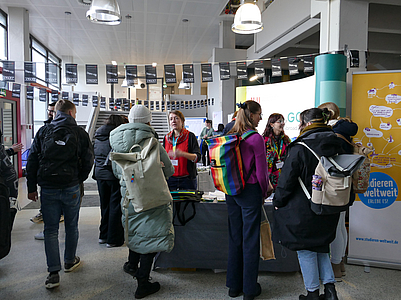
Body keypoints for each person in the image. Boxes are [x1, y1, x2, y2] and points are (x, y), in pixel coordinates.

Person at [273, 107, 341, 300]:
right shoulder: (337, 143)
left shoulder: (299, 148)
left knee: (305, 249)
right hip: (330, 206)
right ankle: (330, 290)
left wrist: (278, 201)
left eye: (301, 122)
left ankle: (312, 293)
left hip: (305, 208)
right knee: (321, 246)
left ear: (307, 124)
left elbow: (286, 181)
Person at [26, 99, 94, 289]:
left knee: (50, 229)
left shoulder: (44, 131)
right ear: (72, 113)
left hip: (48, 187)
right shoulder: (80, 133)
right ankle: (70, 261)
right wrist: (78, 178)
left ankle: (53, 273)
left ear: (56, 112)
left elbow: (32, 160)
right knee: (71, 226)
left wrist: (31, 187)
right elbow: (89, 160)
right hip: (71, 185)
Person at [110, 105, 175, 299]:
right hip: (151, 195)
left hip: (129, 196)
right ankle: (143, 282)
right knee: (150, 235)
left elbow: (116, 172)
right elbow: (169, 170)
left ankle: (131, 265)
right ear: (148, 121)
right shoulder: (153, 143)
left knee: (135, 230)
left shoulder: (116, 143)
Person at [225, 101, 272, 300]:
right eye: (259, 114)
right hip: (250, 191)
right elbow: (262, 173)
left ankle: (234, 286)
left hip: (231, 191)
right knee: (251, 240)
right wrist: (265, 192)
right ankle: (250, 289)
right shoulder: (255, 139)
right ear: (251, 115)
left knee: (235, 238)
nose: (261, 118)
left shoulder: (229, 135)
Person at [318, 102, 358, 281]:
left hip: (336, 187)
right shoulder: (345, 131)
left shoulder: (334, 134)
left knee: (335, 227)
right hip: (346, 186)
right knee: (341, 226)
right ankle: (339, 264)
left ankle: (335, 266)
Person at [93, 114, 126, 248]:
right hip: (113, 175)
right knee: (115, 207)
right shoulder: (116, 136)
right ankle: (114, 239)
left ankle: (103, 235)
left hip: (100, 175)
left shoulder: (98, 135)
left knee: (104, 206)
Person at [30, 101, 60, 225]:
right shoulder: (43, 131)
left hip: (67, 180)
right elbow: (33, 158)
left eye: (52, 111)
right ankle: (45, 214)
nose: (49, 113)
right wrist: (31, 186)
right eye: (49, 110)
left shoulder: (74, 132)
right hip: (47, 177)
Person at [163, 110, 201, 190]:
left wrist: (183, 154)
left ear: (182, 121)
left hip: (187, 180)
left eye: (176, 118)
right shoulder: (166, 138)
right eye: (171, 119)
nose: (173, 121)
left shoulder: (190, 136)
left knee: (188, 202)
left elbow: (197, 157)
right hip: (170, 179)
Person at [262, 113, 291, 192]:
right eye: (280, 121)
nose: (283, 123)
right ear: (272, 124)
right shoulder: (264, 141)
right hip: (269, 178)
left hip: (284, 177)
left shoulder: (286, 140)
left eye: (283, 121)